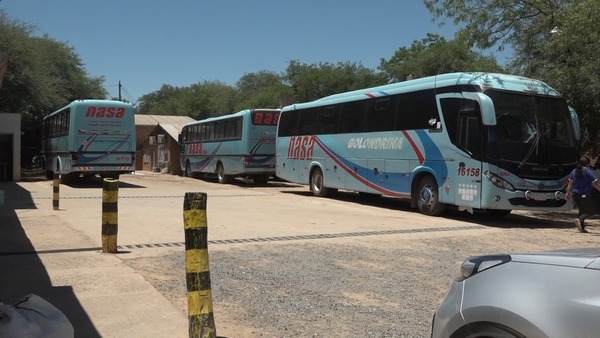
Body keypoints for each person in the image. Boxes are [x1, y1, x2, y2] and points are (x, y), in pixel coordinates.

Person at [566, 156, 600, 233]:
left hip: (574, 194)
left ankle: (582, 228)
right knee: (590, 211)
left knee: (582, 211)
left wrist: (567, 193)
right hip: (584, 195)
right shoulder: (588, 171)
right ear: (587, 163)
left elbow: (570, 183)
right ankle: (579, 220)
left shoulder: (574, 171)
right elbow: (595, 184)